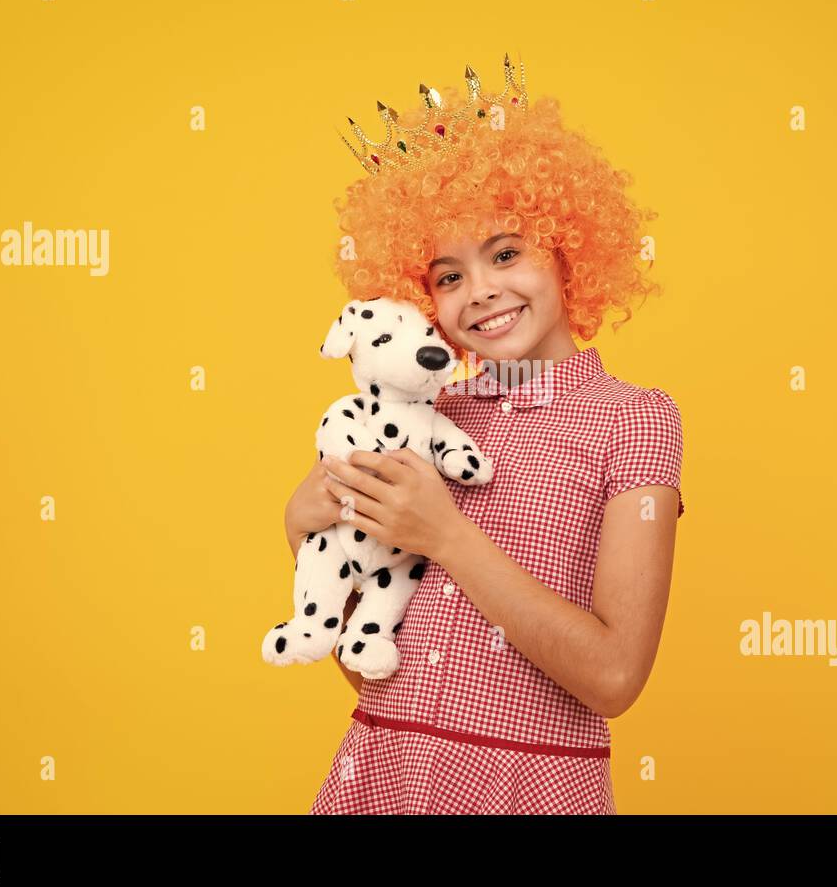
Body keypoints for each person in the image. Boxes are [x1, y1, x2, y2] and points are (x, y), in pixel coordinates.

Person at [285, 58, 684, 813]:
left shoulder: (635, 419)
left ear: (567, 250)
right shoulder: (421, 422)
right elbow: (371, 668)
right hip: (379, 774)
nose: (484, 291)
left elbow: (614, 677)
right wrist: (300, 532)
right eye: (448, 276)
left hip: (525, 791)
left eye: (507, 253)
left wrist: (446, 535)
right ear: (419, 298)